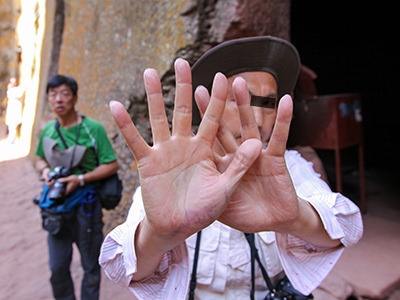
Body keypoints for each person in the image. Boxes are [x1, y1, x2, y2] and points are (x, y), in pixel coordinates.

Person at [99, 36, 363, 299]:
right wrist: (156, 237)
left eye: (268, 103)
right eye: (239, 99)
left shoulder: (289, 167)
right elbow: (122, 268)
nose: (258, 119)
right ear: (207, 106)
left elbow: (347, 226)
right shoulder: (173, 174)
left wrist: (297, 217)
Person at [35, 75, 119, 300]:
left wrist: (79, 180)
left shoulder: (93, 129)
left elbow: (111, 164)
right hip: (57, 209)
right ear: (49, 100)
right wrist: (45, 172)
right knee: (57, 268)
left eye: (64, 93)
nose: (58, 99)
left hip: (86, 208)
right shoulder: (48, 132)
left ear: (75, 98)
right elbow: (39, 159)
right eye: (53, 95)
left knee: (91, 267)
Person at [5, 77, 24, 143]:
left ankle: (13, 137)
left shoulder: (15, 89)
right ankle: (11, 137)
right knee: (11, 124)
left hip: (15, 107)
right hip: (13, 107)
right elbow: (19, 93)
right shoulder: (11, 90)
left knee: (14, 123)